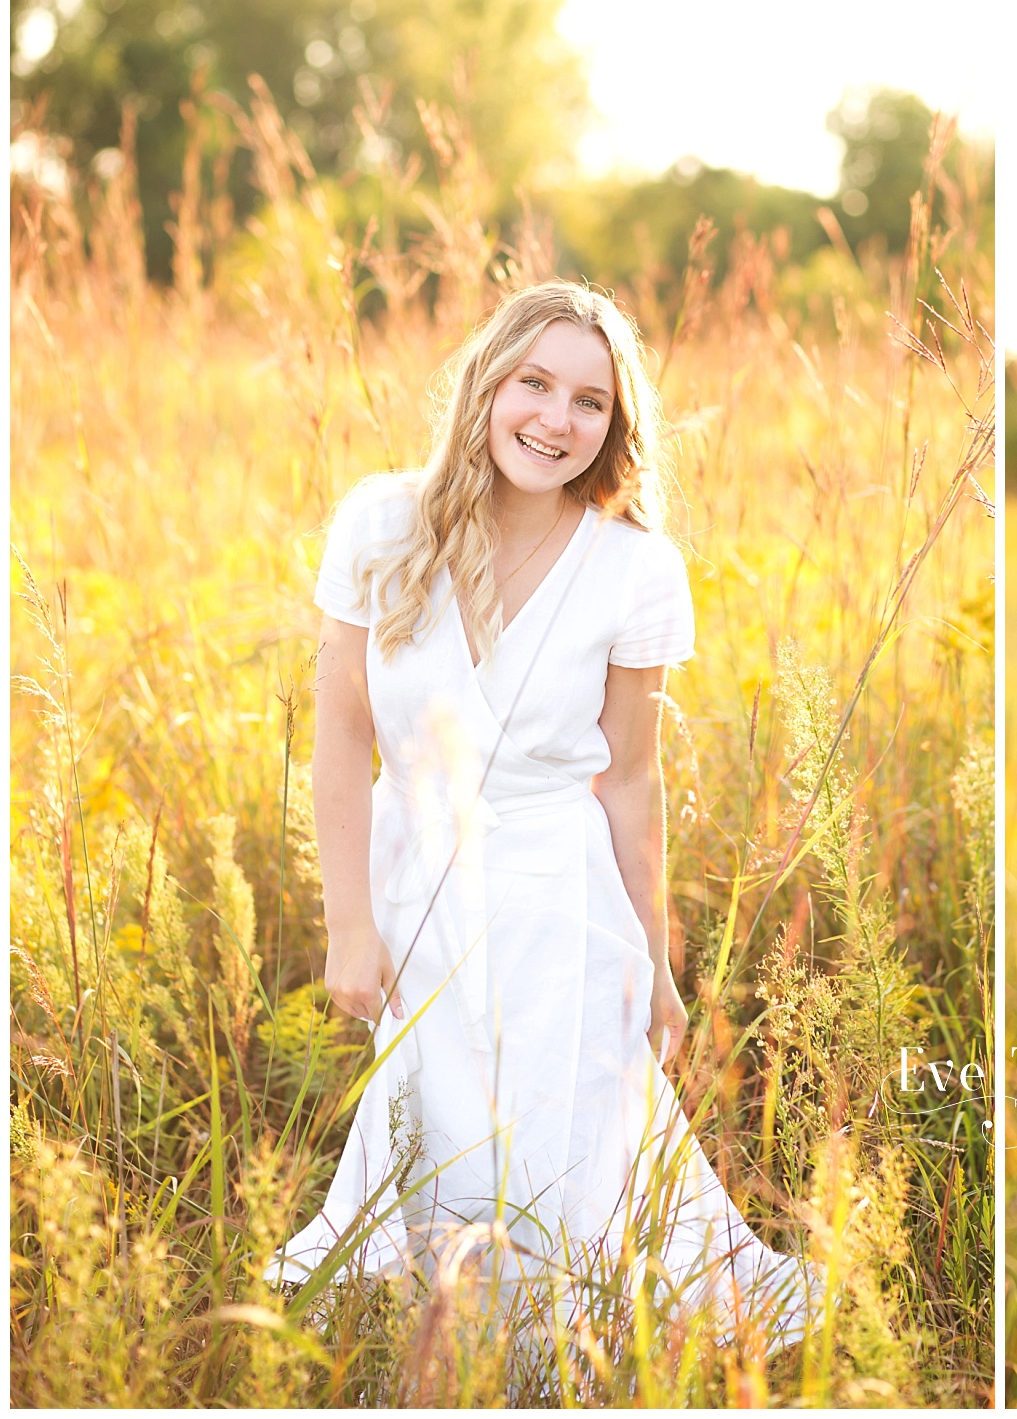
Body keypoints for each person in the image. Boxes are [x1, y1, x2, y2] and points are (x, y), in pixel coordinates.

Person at [266, 281, 815, 1346]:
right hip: (416, 886)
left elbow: (631, 781)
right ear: (487, 381)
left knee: (558, 1152)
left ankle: (552, 1349)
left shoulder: (634, 570)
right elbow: (341, 734)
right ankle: (435, 1344)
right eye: (536, 384)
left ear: (614, 425)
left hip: (562, 898)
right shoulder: (381, 522)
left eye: (589, 402)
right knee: (433, 1132)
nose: (556, 420)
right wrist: (348, 924)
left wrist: (655, 960)